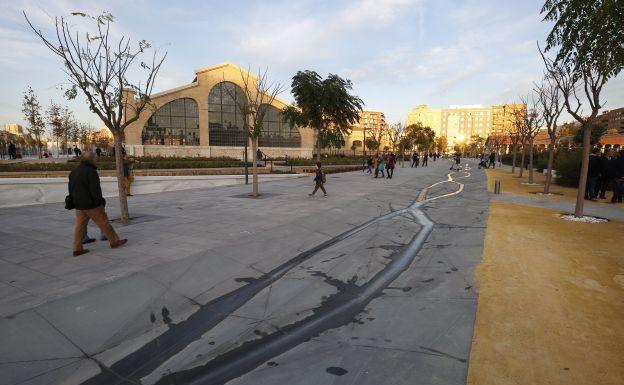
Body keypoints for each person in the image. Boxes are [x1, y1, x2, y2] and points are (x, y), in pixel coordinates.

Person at [68, 151, 127, 256]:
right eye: (96, 158)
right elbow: (95, 189)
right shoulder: (91, 171)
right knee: (104, 223)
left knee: (80, 226)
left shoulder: (74, 171)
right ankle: (114, 242)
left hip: (79, 204)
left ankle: (77, 248)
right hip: (91, 204)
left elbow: (70, 188)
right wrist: (100, 201)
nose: (97, 160)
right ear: (91, 159)